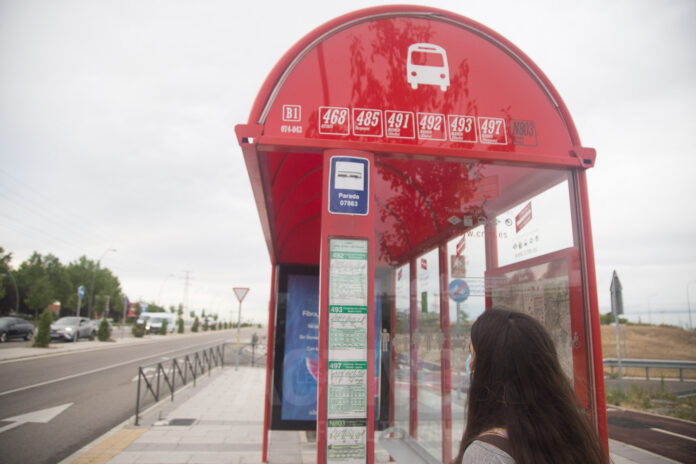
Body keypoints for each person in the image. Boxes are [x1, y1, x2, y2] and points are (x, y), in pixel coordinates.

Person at [454, 308, 608, 464]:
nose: (469, 362)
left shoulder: (486, 453)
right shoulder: (571, 434)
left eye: (472, 353)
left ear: (489, 368)